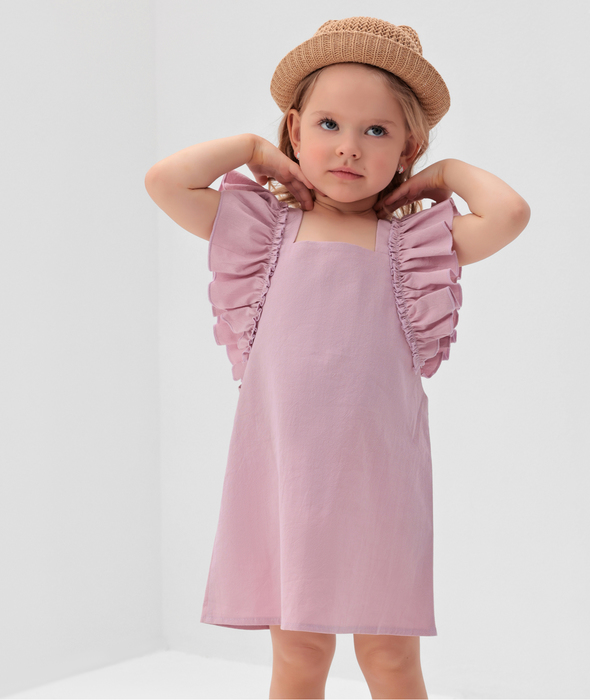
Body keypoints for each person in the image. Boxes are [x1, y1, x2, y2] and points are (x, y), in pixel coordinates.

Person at [145, 16, 530, 700]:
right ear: (295, 131)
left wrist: (446, 174)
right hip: (286, 479)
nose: (349, 147)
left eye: (376, 131)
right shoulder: (264, 232)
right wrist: (251, 150)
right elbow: (164, 181)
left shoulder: (413, 247)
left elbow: (510, 214)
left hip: (380, 484)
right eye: (328, 125)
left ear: (408, 148)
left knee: (389, 656)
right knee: (298, 655)